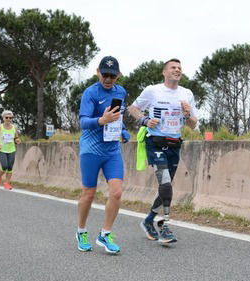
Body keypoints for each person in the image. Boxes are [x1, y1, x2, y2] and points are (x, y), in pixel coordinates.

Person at [129, 58, 198, 243]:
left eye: (179, 68)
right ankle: (165, 226)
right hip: (156, 143)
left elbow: (192, 124)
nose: (177, 70)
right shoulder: (153, 90)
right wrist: (144, 120)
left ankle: (148, 220)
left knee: (165, 188)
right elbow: (133, 108)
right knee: (166, 184)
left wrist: (188, 113)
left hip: (175, 144)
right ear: (164, 72)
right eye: (173, 67)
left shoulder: (187, 94)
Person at [76, 55, 129, 254]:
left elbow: (118, 116)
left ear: (118, 76)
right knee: (89, 194)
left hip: (112, 149)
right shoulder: (90, 93)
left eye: (112, 76)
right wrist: (102, 120)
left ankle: (105, 234)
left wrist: (122, 131)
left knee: (116, 192)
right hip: (91, 149)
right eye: (104, 74)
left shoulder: (121, 91)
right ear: (97, 72)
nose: (108, 79)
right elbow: (83, 122)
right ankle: (81, 231)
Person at [0, 111, 21, 190]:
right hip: (2, 150)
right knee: (4, 166)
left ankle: (7, 183)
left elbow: (16, 137)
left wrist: (17, 140)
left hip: (12, 150)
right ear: (3, 118)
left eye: (10, 118)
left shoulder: (14, 128)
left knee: (10, 167)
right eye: (6, 117)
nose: (8, 119)